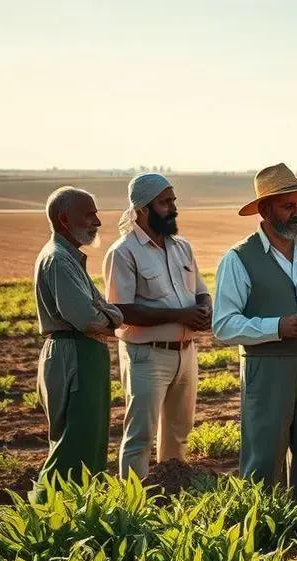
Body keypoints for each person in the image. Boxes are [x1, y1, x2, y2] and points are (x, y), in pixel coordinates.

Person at [212, 163, 297, 496]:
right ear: (264, 210)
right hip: (266, 370)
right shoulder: (238, 258)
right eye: (289, 206)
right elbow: (224, 325)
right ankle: (261, 532)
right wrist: (278, 327)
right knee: (264, 458)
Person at [104, 173, 210, 478]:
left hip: (186, 353)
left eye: (173, 201)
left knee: (179, 433)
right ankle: (133, 506)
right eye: (165, 202)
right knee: (140, 436)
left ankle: (170, 496)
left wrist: (203, 308)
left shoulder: (182, 247)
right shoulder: (123, 252)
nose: (173, 208)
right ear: (142, 209)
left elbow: (200, 289)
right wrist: (179, 316)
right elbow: (121, 310)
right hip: (146, 356)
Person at [33, 186, 123, 486]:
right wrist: (109, 316)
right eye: (89, 215)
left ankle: (79, 512)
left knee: (89, 439)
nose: (97, 222)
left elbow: (103, 310)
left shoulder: (69, 257)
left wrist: (106, 314)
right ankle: (49, 513)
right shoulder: (58, 259)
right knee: (75, 443)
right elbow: (86, 317)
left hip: (81, 352)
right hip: (74, 353)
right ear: (64, 219)